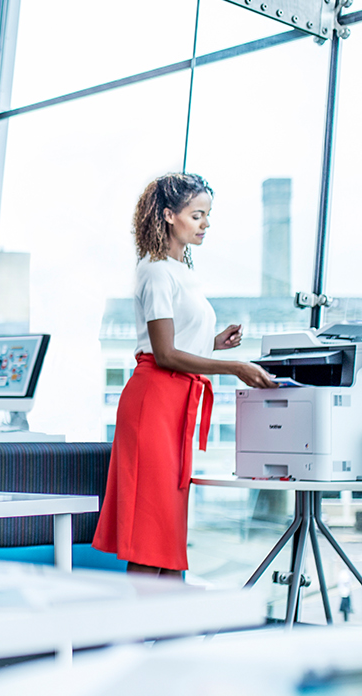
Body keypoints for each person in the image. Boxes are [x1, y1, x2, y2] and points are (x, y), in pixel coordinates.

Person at [92, 173, 277, 578]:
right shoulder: (156, 271)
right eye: (197, 215)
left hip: (175, 405)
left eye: (207, 215)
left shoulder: (180, 271)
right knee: (149, 534)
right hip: (154, 404)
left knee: (169, 534)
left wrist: (214, 344)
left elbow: (178, 346)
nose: (205, 224)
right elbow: (164, 354)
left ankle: (166, 632)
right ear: (168, 215)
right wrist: (235, 367)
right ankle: (131, 635)